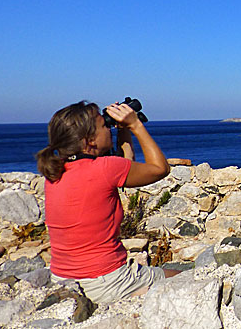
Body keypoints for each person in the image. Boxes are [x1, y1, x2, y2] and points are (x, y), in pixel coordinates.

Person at [35, 100, 178, 304]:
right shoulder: (105, 168)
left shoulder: (55, 172)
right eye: (104, 126)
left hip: (63, 279)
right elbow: (160, 169)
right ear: (89, 140)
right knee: (187, 277)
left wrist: (122, 130)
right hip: (107, 281)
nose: (108, 130)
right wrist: (135, 125)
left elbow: (125, 165)